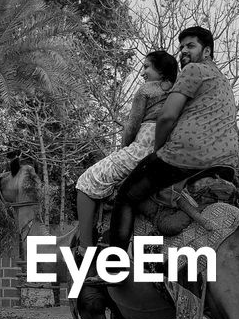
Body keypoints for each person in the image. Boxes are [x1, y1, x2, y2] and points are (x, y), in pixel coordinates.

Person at [103, 25, 239, 253]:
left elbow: (167, 116)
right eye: (182, 46)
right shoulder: (222, 81)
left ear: (207, 52)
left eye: (191, 46)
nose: (184, 50)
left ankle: (113, 265)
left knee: (126, 196)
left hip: (186, 157)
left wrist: (158, 151)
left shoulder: (194, 70)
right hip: (225, 162)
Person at [75, 50, 179, 249]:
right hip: (167, 151)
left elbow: (131, 126)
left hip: (142, 148)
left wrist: (123, 149)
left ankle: (84, 248)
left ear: (162, 70)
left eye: (147, 66)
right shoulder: (179, 92)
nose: (142, 72)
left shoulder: (146, 90)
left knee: (86, 181)